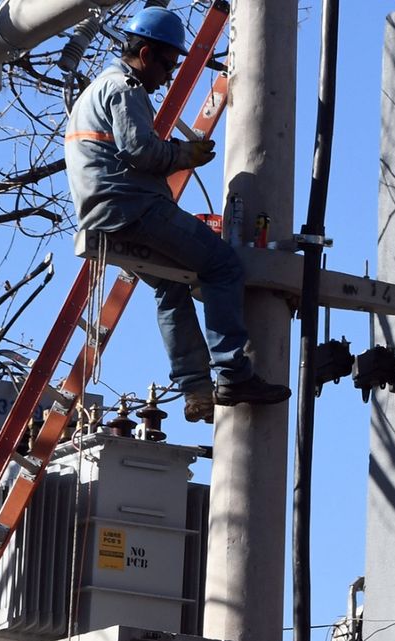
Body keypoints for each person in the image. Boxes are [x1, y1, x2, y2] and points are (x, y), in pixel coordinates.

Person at [65, 6, 291, 424]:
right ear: (145, 54)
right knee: (222, 265)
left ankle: (196, 389)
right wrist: (183, 154)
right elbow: (140, 151)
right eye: (167, 65)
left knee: (171, 286)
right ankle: (233, 374)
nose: (168, 77)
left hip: (105, 215)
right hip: (133, 208)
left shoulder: (96, 89)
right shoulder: (125, 88)